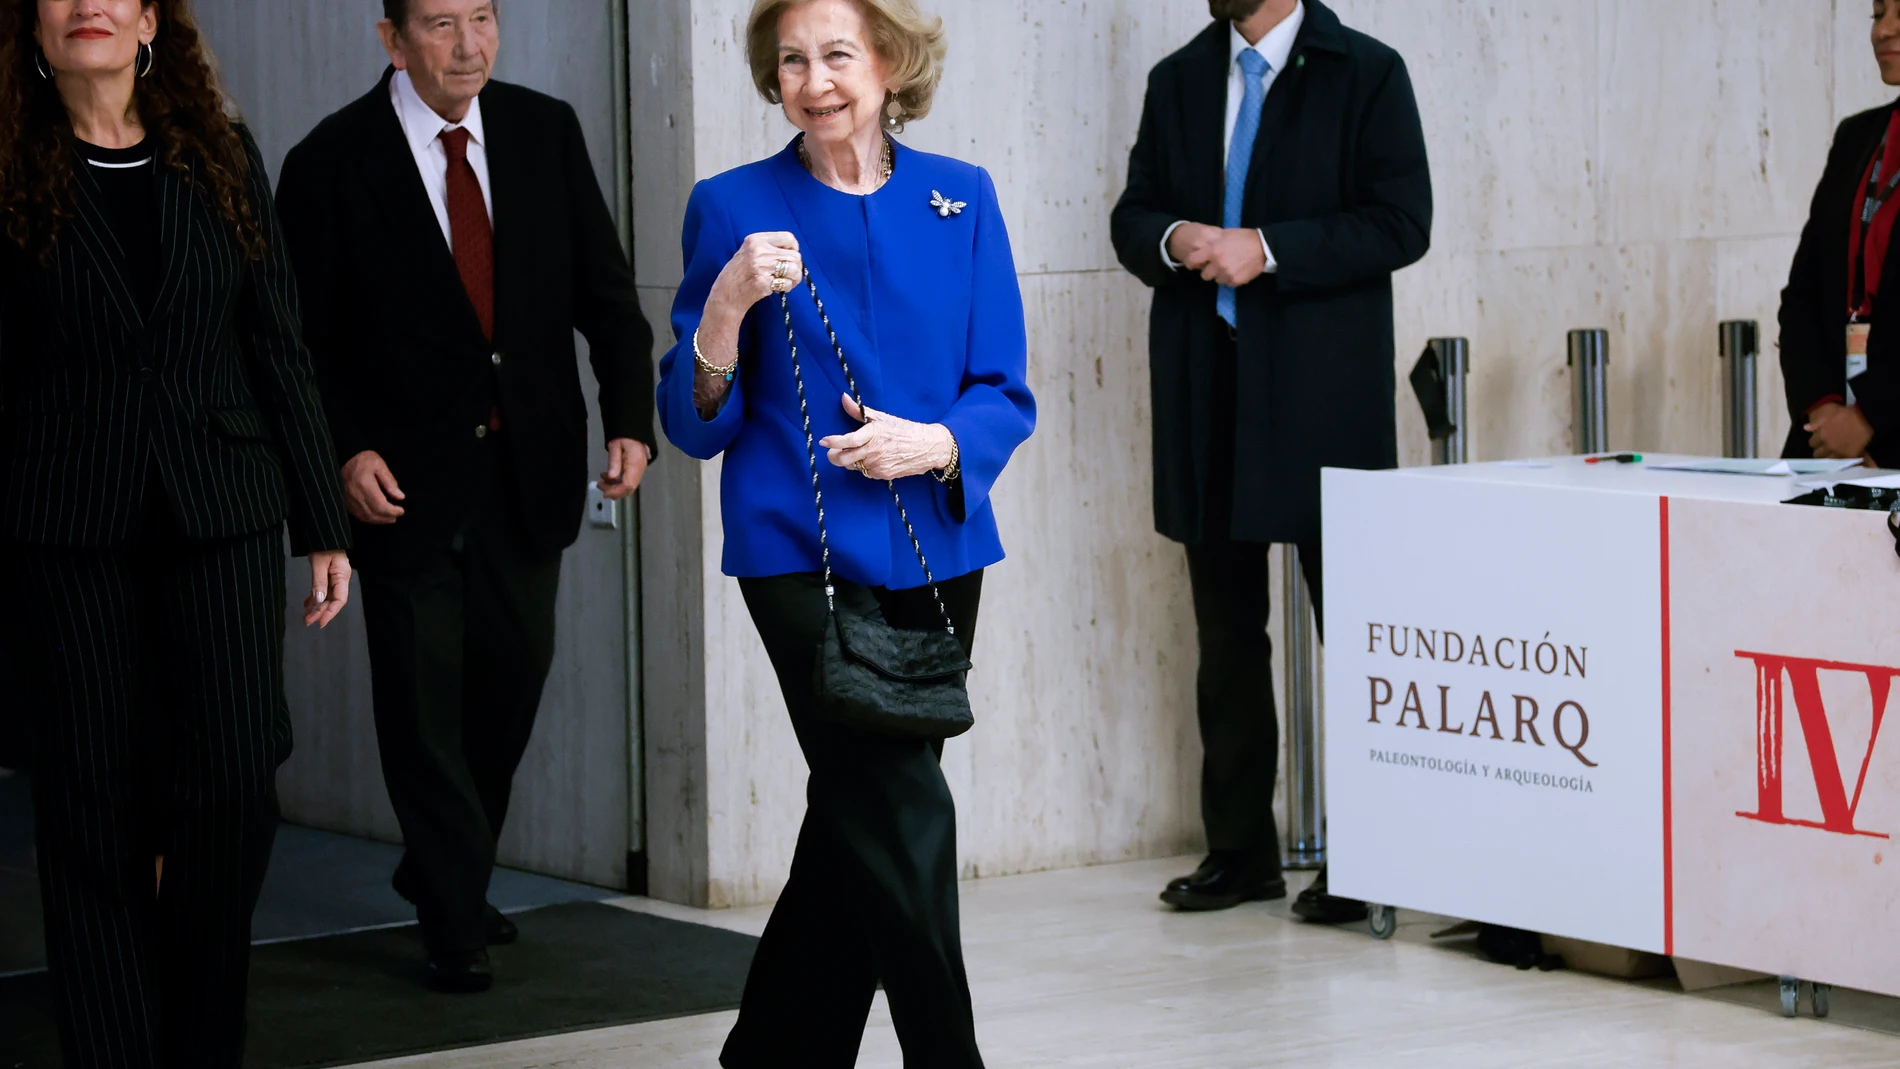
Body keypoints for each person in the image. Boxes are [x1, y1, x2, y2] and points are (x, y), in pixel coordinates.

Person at [656, 1, 1035, 1063]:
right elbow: (694, 422)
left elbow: (1002, 389)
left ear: (888, 62)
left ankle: (772, 1052)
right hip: (795, 553)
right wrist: (724, 304)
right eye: (790, 60)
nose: (813, 81)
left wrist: (938, 445)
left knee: (854, 822)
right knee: (901, 805)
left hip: (938, 543)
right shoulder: (730, 204)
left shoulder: (963, 198)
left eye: (835, 55)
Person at [273, 0, 655, 993]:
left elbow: (606, 297)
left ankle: (447, 862)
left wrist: (628, 417)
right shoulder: (328, 160)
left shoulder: (544, 130)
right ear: (390, 37)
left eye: (482, 17)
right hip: (397, 489)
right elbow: (297, 344)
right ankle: (453, 916)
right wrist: (342, 452)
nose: (469, 44)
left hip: (525, 474)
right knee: (420, 708)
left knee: (509, 685)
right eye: (440, 23)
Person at [0, 0, 354, 1064]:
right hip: (68, 523)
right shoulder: (9, 166)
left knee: (237, 782)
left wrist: (319, 518)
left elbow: (276, 338)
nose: (87, 6)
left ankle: (200, 1039)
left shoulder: (219, 153)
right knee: (91, 801)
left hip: (224, 507)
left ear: (150, 19)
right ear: (32, 27)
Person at [1109, 0, 1431, 918]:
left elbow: (1403, 222)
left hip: (1323, 399)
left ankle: (1370, 859)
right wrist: (1177, 239)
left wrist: (1270, 249)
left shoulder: (1368, 71)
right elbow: (1134, 214)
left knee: (1361, 640)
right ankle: (1240, 849)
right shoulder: (1177, 79)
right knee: (1226, 639)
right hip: (1207, 393)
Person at [1780, 0, 1900, 467]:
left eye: (1899, 15)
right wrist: (1825, 414)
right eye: (1877, 13)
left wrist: (1868, 417)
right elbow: (1801, 297)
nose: (1882, 31)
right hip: (1826, 452)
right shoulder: (1856, 137)